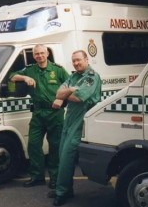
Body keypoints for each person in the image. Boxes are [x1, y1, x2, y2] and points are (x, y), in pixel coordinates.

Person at [10, 44, 69, 190]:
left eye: (42, 53)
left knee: (55, 147)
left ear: (47, 53)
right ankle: (37, 177)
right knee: (33, 145)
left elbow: (71, 85)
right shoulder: (30, 70)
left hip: (55, 114)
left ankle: (55, 179)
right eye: (37, 54)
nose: (40, 56)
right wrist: (24, 78)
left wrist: (61, 100)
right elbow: (12, 77)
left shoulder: (58, 70)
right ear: (34, 55)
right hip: (37, 114)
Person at [49, 50, 101, 206]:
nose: (76, 63)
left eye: (79, 60)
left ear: (86, 59)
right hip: (69, 120)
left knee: (66, 157)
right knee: (61, 154)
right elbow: (58, 92)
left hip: (81, 122)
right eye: (74, 61)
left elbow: (79, 97)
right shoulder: (73, 76)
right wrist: (70, 90)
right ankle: (65, 189)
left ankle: (61, 193)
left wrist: (67, 92)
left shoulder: (92, 77)